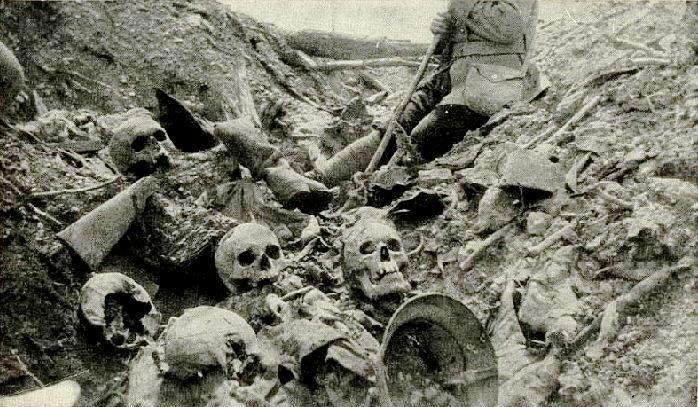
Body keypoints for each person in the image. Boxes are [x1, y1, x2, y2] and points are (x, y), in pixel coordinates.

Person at [316, 0, 546, 183]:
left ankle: (365, 198)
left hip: (487, 84)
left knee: (415, 144)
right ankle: (321, 179)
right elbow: (459, 45)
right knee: (391, 131)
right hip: (449, 80)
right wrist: (444, 32)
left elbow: (510, 27)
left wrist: (462, 5)